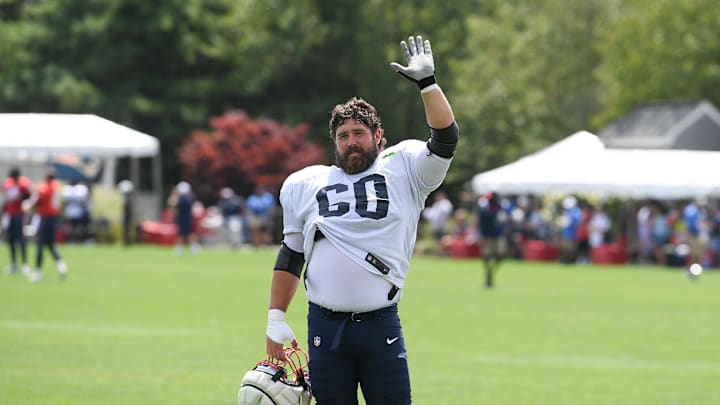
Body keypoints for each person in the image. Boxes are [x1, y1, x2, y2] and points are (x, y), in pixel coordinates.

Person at [263, 34, 458, 404]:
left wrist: (428, 85)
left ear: (378, 136)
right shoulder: (307, 183)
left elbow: (445, 139)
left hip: (380, 324)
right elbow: (291, 255)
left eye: (359, 133)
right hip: (324, 324)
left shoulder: (404, 168)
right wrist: (275, 317)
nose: (351, 142)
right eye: (343, 136)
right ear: (334, 142)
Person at [26, 169, 67, 282]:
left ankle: (38, 272)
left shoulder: (45, 188)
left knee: (40, 245)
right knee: (50, 245)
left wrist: (28, 206)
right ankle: (61, 265)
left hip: (45, 218)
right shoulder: (57, 187)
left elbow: (37, 202)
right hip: (54, 219)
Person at [2, 167, 32, 275]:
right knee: (11, 241)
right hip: (10, 215)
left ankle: (24, 264)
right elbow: (6, 200)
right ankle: (14, 264)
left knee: (21, 240)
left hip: (20, 215)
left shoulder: (23, 184)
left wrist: (21, 197)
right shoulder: (8, 185)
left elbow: (28, 195)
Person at [478, 192, 507, 288]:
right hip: (488, 237)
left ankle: (491, 272)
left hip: (497, 236)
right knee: (487, 257)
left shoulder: (499, 210)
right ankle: (488, 274)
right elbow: (481, 225)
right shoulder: (485, 211)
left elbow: (503, 223)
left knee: (499, 256)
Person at [168, 181, 200, 255]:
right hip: (180, 217)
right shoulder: (179, 198)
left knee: (190, 233)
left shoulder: (189, 198)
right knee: (180, 234)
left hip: (188, 217)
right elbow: (171, 204)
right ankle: (180, 248)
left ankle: (194, 248)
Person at [118, 180, 134, 246]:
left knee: (127, 228)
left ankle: (127, 241)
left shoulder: (127, 198)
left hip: (127, 215)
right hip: (127, 215)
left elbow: (126, 205)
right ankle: (126, 241)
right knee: (126, 228)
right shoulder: (127, 197)